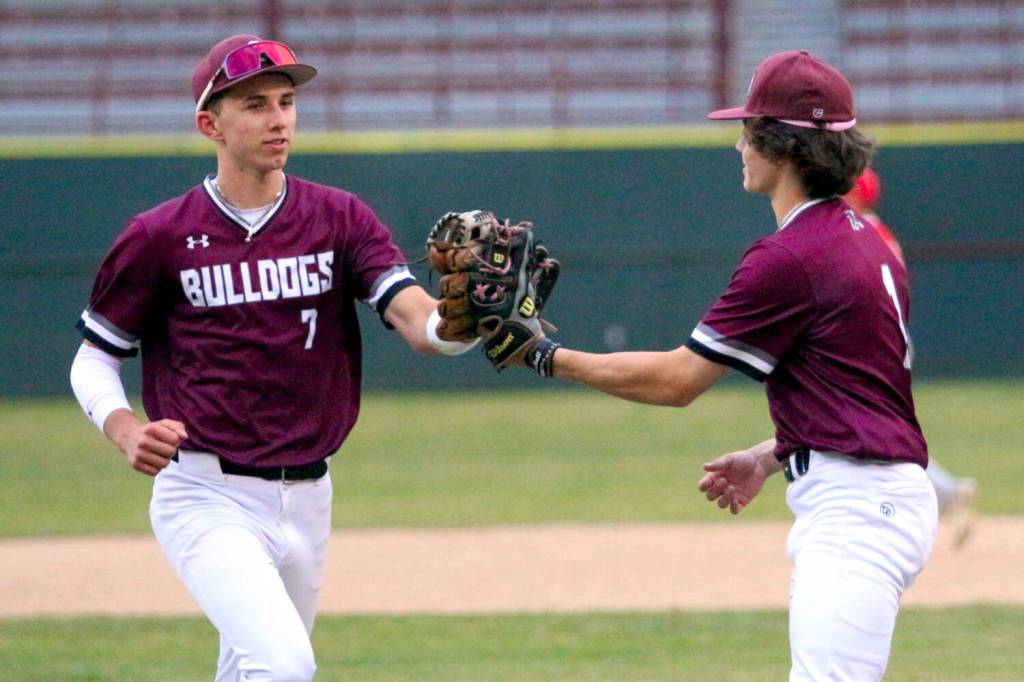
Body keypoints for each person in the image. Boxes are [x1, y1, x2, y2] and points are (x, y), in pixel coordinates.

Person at [496, 50, 938, 680]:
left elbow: (678, 381)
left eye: (749, 130)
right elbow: (859, 393)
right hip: (873, 494)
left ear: (782, 145)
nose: (739, 144)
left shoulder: (792, 255)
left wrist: (543, 355)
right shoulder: (864, 239)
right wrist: (773, 453)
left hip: (859, 507)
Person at [69, 35, 477, 681]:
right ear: (211, 124)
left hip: (310, 492)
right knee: (282, 666)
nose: (278, 118)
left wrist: (464, 318)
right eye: (255, 104)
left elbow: (419, 325)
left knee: (249, 669)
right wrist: (122, 428)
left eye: (286, 102)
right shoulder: (160, 235)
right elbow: (95, 357)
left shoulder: (338, 216)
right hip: (206, 489)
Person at [844, 168, 977, 547]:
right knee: (875, 428)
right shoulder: (878, 233)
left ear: (857, 196)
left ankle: (945, 493)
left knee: (876, 431)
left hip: (876, 347)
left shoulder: (863, 235)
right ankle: (946, 492)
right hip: (886, 345)